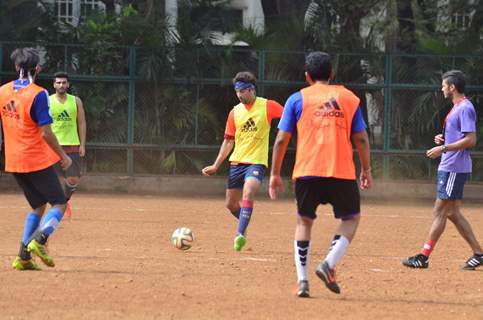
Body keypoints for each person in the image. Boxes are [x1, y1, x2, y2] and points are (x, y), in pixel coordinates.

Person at [269, 52, 372, 297]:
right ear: (332, 74)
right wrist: (366, 169)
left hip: (307, 170)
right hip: (341, 171)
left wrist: (274, 173)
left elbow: (282, 139)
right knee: (351, 219)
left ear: (307, 76)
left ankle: (303, 281)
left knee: (304, 222)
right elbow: (361, 138)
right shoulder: (348, 98)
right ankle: (328, 263)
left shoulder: (297, 99)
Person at [402, 70, 482, 270]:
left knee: (440, 210)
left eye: (444, 85)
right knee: (453, 213)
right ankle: (479, 254)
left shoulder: (465, 108)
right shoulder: (457, 108)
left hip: (454, 167)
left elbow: (471, 140)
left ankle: (423, 256)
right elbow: (460, 137)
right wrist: (445, 139)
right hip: (451, 166)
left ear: (452, 87)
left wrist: (443, 148)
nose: (442, 88)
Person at [0, 48, 72, 270]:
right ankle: (40, 240)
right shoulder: (38, 93)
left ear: (16, 67)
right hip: (34, 159)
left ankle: (23, 258)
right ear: (37, 69)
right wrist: (63, 156)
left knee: (38, 206)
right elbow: (46, 133)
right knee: (60, 203)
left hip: (13, 160)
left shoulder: (2, 90)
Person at [202, 71, 283, 252]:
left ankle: (240, 234)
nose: (239, 95)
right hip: (237, 163)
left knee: (249, 191)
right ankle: (244, 223)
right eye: (237, 91)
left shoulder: (268, 106)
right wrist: (216, 165)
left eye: (242, 91)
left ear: (251, 89)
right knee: (231, 204)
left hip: (256, 162)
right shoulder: (235, 112)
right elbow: (228, 140)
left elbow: (290, 117)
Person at [49, 72, 86, 218]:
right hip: (53, 146)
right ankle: (59, 207)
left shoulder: (76, 101)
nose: (61, 85)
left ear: (68, 84)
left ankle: (65, 201)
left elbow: (81, 122)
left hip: (72, 145)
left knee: (73, 179)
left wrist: (82, 144)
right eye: (58, 82)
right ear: (54, 84)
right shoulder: (47, 101)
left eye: (64, 82)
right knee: (55, 180)